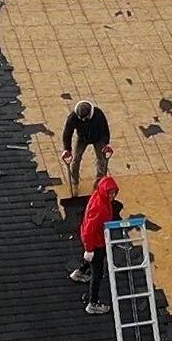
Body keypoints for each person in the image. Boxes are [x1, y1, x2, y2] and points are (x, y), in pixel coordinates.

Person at [68, 174, 120, 314]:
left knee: (93, 260)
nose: (112, 195)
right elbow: (87, 231)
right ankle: (93, 303)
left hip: (97, 240)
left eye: (114, 192)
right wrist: (89, 249)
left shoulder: (99, 197)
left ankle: (79, 272)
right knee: (97, 273)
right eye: (110, 193)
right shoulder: (99, 207)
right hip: (96, 243)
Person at [62, 100, 113, 188]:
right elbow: (67, 133)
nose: (83, 120)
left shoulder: (98, 114)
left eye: (85, 118)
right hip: (82, 139)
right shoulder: (73, 117)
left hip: (98, 138)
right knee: (76, 159)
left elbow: (105, 129)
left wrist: (106, 143)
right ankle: (74, 181)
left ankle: (99, 181)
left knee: (101, 159)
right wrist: (67, 149)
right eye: (81, 119)